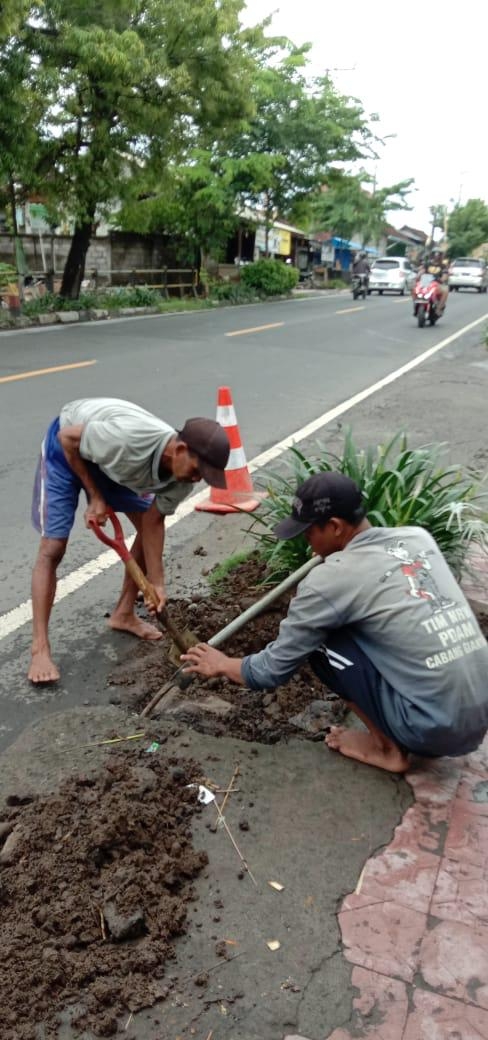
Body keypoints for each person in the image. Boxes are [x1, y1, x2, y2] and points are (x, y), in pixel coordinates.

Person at [182, 472, 488, 774]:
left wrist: (221, 664)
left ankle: (387, 749)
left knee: (322, 641)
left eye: (309, 532)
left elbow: (272, 670)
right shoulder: (416, 538)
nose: (305, 542)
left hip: (432, 731)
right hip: (480, 715)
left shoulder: (330, 580)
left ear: (335, 527)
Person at [29, 397, 230, 684]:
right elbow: (68, 439)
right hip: (67, 449)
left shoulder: (182, 478)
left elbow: (153, 522)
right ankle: (39, 648)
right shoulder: (128, 441)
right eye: (198, 471)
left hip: (109, 463)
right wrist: (95, 496)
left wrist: (157, 584)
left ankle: (123, 613)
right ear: (181, 449)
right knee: (53, 548)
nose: (197, 480)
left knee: (142, 528)